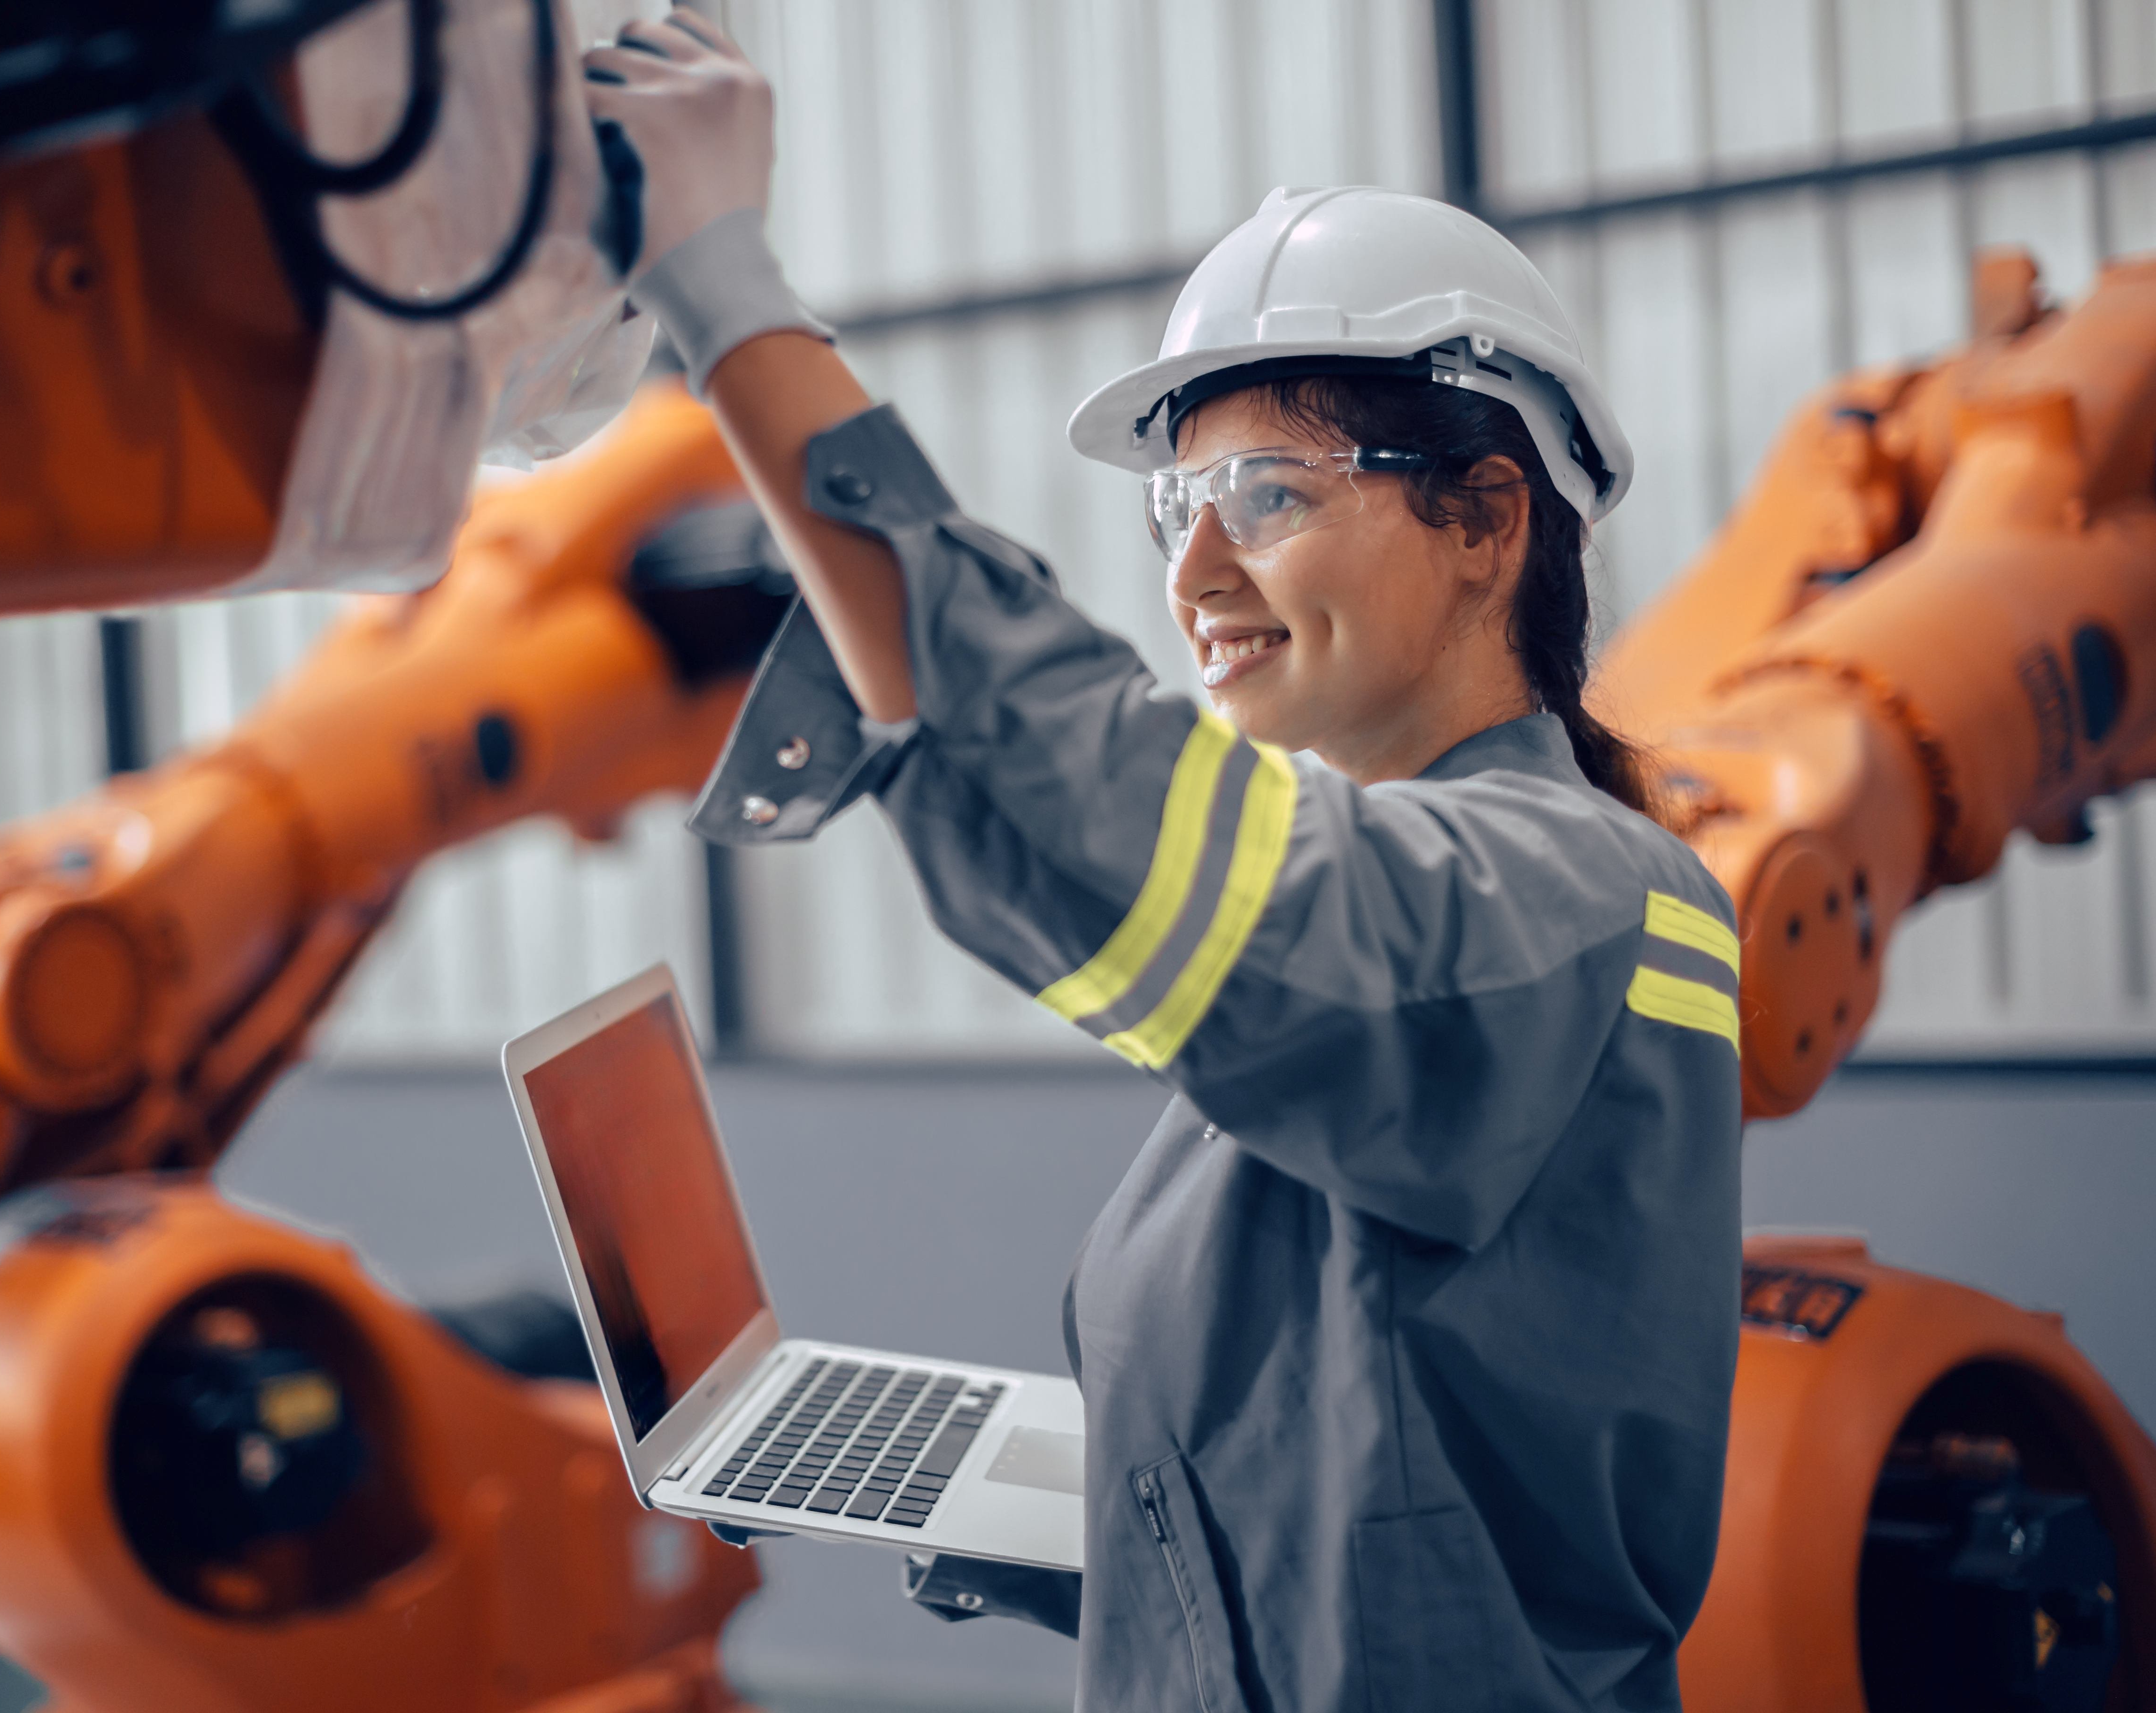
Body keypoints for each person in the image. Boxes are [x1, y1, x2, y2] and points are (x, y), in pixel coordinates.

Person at [585, 14, 1744, 1711]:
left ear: (1490, 519)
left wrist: (729, 295)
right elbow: (1373, 1490)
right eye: (1174, 508)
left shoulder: (1559, 903)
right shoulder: (1410, 909)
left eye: (1266, 493)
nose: (1195, 571)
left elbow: (1122, 827)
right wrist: (1090, 1538)